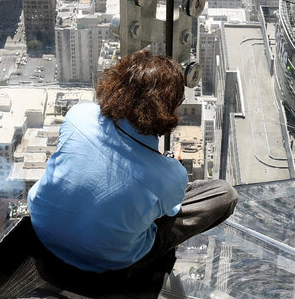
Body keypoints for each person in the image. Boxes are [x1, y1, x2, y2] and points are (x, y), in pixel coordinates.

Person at [28, 50, 238, 275]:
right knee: (224, 195)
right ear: (168, 109)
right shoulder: (170, 176)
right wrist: (167, 171)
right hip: (109, 264)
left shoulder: (78, 115)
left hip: (43, 232)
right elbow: (166, 215)